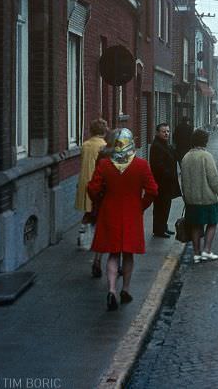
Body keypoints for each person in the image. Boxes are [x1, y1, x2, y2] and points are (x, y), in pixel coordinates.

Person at [88, 128, 158, 311]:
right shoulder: (141, 165)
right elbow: (153, 190)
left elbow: (93, 189)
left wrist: (100, 202)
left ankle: (111, 289)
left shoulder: (104, 164)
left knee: (112, 253)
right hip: (132, 214)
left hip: (110, 212)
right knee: (128, 254)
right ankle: (125, 289)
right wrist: (141, 205)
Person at [181, 128, 218, 263]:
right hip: (207, 199)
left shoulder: (186, 157)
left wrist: (186, 197)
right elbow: (213, 178)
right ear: (205, 141)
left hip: (191, 200)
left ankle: (196, 253)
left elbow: (183, 180)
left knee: (196, 226)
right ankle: (206, 251)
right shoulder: (206, 156)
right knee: (212, 223)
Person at [75, 118, 108, 278]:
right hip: (95, 180)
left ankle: (82, 235)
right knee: (96, 211)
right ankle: (92, 240)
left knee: (87, 210)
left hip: (83, 180)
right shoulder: (103, 146)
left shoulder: (85, 144)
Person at [149, 122, 181, 238]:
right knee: (160, 207)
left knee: (166, 206)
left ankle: (163, 227)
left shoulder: (166, 144)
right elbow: (158, 166)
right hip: (161, 183)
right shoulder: (157, 146)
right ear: (158, 133)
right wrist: (169, 174)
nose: (166, 133)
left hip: (167, 182)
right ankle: (159, 230)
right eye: (164, 131)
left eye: (168, 131)